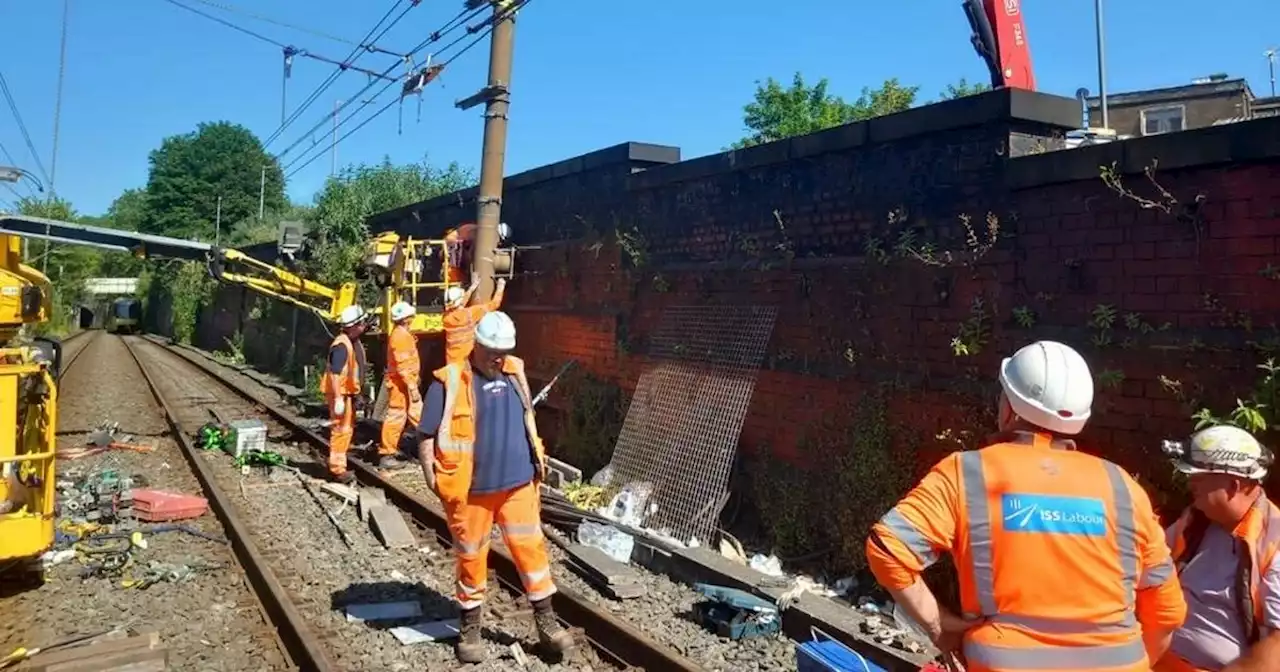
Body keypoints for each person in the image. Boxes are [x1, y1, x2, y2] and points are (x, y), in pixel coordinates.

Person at [865, 340, 1187, 671]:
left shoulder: (968, 473)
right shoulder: (1123, 487)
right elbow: (1167, 612)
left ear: (1008, 408)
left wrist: (939, 626)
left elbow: (888, 549)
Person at [416, 310, 573, 663]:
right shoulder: (450, 381)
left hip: (517, 486)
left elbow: (526, 419)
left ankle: (547, 623)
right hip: (472, 494)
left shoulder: (514, 371)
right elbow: (425, 434)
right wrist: (431, 477)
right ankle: (470, 627)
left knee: (532, 553)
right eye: (490, 350)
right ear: (476, 344)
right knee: (471, 559)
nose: (496, 357)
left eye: (502, 351)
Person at [1154, 425, 1280, 672]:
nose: (1191, 484)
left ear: (1233, 486)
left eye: (1198, 477)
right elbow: (1149, 558)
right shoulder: (1197, 519)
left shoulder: (1274, 541)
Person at [322, 304, 370, 484]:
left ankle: (338, 466)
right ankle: (337, 469)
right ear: (354, 325)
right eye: (362, 323)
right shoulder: (342, 345)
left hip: (344, 393)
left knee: (345, 430)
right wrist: (339, 399)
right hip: (339, 394)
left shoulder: (348, 342)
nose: (364, 326)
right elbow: (335, 373)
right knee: (340, 430)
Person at [376, 301, 421, 469]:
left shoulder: (401, 334)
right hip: (401, 386)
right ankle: (387, 455)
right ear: (407, 319)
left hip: (403, 384)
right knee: (398, 418)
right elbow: (403, 366)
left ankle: (425, 450)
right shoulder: (400, 337)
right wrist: (412, 387)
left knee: (415, 417)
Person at [442, 277, 506, 365]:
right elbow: (494, 304)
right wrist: (500, 287)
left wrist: (472, 288)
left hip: (451, 360)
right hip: (465, 360)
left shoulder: (446, 317)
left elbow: (459, 304)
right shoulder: (469, 314)